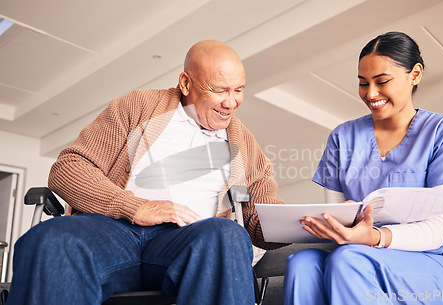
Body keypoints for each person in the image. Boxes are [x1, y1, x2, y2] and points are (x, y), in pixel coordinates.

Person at [7, 40, 286, 305]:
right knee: (52, 238)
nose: (231, 102)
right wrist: (134, 206)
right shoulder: (136, 107)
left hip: (188, 241)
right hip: (112, 232)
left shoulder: (244, 142)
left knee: (227, 235)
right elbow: (68, 169)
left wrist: (299, 224)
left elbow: (258, 219)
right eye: (220, 89)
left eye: (238, 90)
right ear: (186, 83)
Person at [283, 32, 443, 305]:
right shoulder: (342, 137)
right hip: (363, 254)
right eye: (363, 83)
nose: (371, 93)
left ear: (415, 74)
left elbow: (438, 230)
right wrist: (337, 225)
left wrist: (375, 237)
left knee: (349, 259)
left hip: (438, 260)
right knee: (302, 262)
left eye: (382, 81)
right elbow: (339, 217)